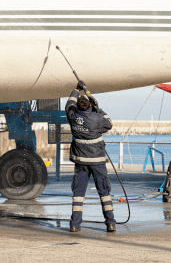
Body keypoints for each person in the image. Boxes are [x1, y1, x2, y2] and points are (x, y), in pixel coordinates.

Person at [65, 81, 116, 232]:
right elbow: (109, 123)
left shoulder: (72, 116)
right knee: (104, 193)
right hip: (97, 161)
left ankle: (75, 225)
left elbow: (69, 104)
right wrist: (98, 108)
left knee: (78, 194)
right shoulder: (96, 118)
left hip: (81, 161)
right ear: (89, 107)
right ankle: (110, 223)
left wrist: (76, 89)